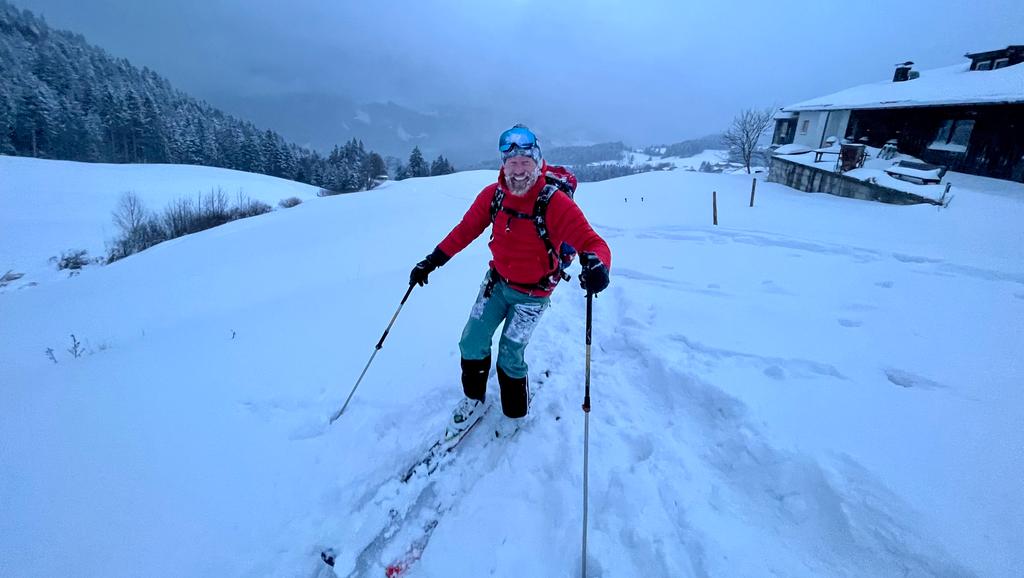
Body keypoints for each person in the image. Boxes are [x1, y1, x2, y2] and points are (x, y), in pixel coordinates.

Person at [409, 124, 611, 439]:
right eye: (511, 163)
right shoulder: (494, 195)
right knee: (472, 340)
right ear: (503, 164)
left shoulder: (554, 203)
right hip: (497, 283)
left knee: (509, 353)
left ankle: (515, 414)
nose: (518, 171)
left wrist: (599, 266)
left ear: (538, 162)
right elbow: (465, 230)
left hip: (533, 294)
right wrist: (432, 260)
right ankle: (474, 399)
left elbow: (593, 242)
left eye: (525, 162)